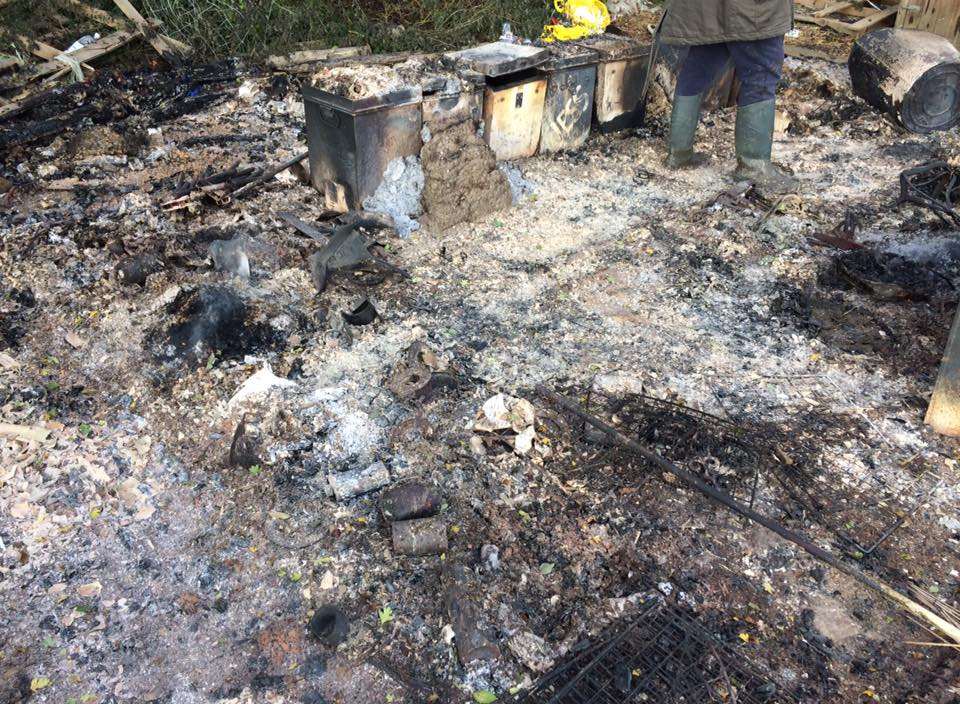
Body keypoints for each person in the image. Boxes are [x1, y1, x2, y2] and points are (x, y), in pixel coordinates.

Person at [660, 0, 798, 193]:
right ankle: (754, 166)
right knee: (761, 76)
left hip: (705, 7)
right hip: (752, 10)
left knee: (699, 66)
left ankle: (679, 153)